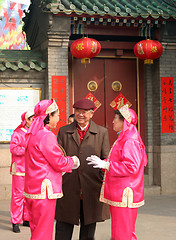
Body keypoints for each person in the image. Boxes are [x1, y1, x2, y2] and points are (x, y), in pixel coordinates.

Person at [87, 104, 148, 240]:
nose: (113, 121)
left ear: (124, 121)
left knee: (122, 232)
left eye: (116, 118)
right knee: (122, 230)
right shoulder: (124, 138)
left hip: (125, 193)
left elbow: (131, 167)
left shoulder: (130, 141)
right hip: (122, 192)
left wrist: (106, 164)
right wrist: (103, 163)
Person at [23, 99, 80, 240]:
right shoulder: (46, 136)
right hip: (44, 190)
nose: (58, 118)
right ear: (48, 116)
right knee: (43, 230)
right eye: (56, 115)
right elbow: (58, 162)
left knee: (36, 228)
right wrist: (72, 160)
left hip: (32, 187)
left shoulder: (32, 134)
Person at [55, 98, 110, 240]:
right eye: (78, 111)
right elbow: (58, 158)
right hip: (68, 185)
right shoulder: (64, 131)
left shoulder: (101, 132)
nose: (80, 115)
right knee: (63, 227)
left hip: (91, 186)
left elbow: (106, 158)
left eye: (85, 112)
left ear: (91, 114)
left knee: (88, 230)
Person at [10, 111, 34, 233]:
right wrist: (27, 149)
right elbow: (13, 149)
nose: (33, 121)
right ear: (26, 120)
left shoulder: (34, 133)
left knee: (28, 195)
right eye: (31, 119)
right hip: (19, 168)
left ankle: (26, 218)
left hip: (31, 169)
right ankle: (15, 220)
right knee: (18, 195)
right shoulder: (17, 133)